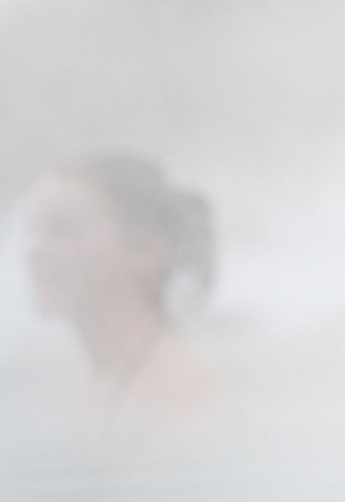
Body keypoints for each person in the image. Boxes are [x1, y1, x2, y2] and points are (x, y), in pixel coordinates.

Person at [26, 153, 225, 430]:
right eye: (35, 229)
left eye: (63, 230)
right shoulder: (110, 375)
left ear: (145, 251)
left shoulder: (178, 390)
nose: (34, 250)